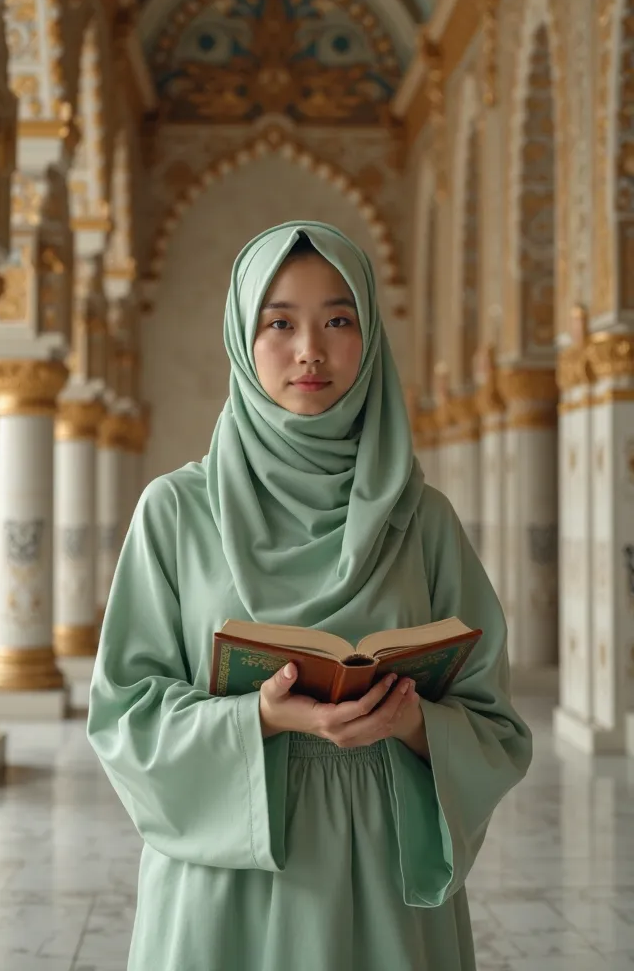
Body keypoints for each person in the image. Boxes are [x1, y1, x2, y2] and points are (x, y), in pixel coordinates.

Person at [87, 221, 532, 971]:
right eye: (279, 323)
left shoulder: (420, 519)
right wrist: (257, 716)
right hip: (227, 878)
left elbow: (494, 721)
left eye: (337, 320)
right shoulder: (176, 511)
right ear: (241, 336)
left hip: (383, 874)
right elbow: (123, 716)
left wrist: (415, 724)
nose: (310, 351)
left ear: (369, 336)